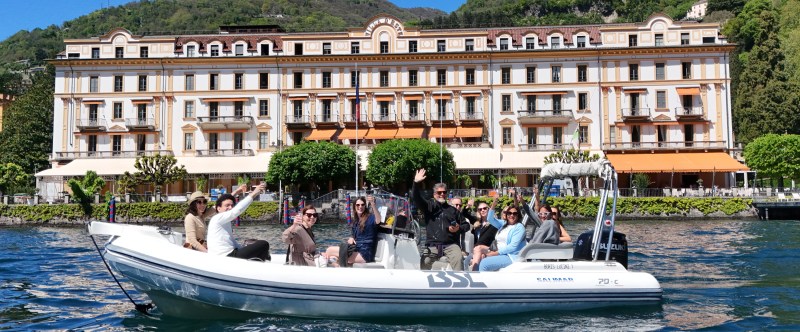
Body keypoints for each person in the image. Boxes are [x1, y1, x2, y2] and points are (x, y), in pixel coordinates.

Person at [412, 169, 469, 271]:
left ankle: (459, 283)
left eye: (444, 192)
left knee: (458, 258)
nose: (442, 194)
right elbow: (416, 199)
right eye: (439, 192)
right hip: (433, 245)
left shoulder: (453, 210)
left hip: (451, 245)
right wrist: (416, 183)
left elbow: (466, 225)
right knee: (425, 261)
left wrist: (458, 228)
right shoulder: (428, 207)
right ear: (434, 194)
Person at [207, 183, 271, 261]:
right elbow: (237, 210)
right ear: (219, 208)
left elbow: (232, 242)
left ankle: (260, 263)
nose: (230, 207)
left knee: (255, 244)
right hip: (225, 257)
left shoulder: (225, 221)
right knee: (263, 244)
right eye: (227, 205)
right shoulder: (217, 218)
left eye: (232, 205)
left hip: (230, 254)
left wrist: (243, 248)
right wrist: (254, 193)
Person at [184, 185, 246, 252]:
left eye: (204, 202)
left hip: (201, 245)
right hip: (191, 249)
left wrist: (236, 191)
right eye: (199, 202)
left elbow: (221, 203)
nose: (202, 205)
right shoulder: (189, 218)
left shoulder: (201, 215)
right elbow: (192, 240)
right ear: (193, 204)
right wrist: (208, 253)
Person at [324, 195, 382, 267]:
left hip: (365, 253)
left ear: (365, 206)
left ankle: (338, 270)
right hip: (356, 249)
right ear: (354, 206)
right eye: (358, 205)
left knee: (330, 251)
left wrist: (373, 204)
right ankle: (340, 270)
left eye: (362, 205)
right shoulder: (356, 221)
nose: (360, 207)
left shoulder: (370, 218)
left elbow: (378, 220)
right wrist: (352, 238)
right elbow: (355, 236)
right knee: (332, 257)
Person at [477, 200, 527, 272]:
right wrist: (494, 205)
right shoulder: (504, 224)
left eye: (514, 213)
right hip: (500, 254)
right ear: (506, 215)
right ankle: (474, 279)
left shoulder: (519, 227)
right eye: (509, 213)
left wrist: (495, 253)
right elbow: (490, 219)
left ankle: (480, 282)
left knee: (484, 264)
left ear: (518, 215)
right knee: (479, 256)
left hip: (510, 256)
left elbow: (512, 247)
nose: (512, 215)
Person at [465, 201, 498, 270]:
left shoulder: (494, 223)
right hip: (477, 249)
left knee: (480, 252)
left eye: (485, 208)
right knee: (481, 255)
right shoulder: (477, 223)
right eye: (480, 209)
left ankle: (474, 273)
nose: (482, 210)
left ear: (489, 210)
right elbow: (464, 214)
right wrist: (468, 206)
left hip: (488, 248)